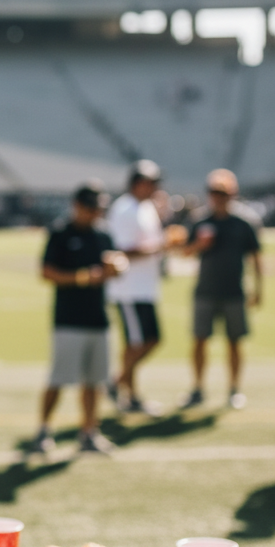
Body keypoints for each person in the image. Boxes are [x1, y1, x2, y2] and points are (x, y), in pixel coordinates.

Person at [33, 182, 125, 454]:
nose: (96, 213)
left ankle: (89, 432)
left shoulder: (104, 235)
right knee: (59, 379)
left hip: (99, 318)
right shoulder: (61, 233)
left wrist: (116, 269)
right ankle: (42, 430)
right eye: (92, 208)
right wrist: (84, 277)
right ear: (78, 207)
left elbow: (115, 264)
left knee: (94, 381)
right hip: (69, 319)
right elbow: (47, 272)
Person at [105, 159, 183, 414]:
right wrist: (161, 246)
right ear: (138, 184)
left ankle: (126, 390)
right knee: (139, 343)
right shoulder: (124, 209)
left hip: (144, 287)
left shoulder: (146, 206)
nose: (156, 188)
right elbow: (122, 250)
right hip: (129, 288)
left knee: (147, 340)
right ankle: (121, 387)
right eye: (152, 183)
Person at [181, 169, 263, 410]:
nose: (217, 197)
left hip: (233, 291)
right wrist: (199, 245)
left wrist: (258, 289)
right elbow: (185, 252)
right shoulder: (200, 220)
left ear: (233, 193)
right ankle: (197, 388)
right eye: (214, 192)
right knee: (199, 340)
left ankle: (234, 389)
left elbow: (255, 257)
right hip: (205, 290)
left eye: (222, 192)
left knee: (234, 342)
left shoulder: (244, 222)